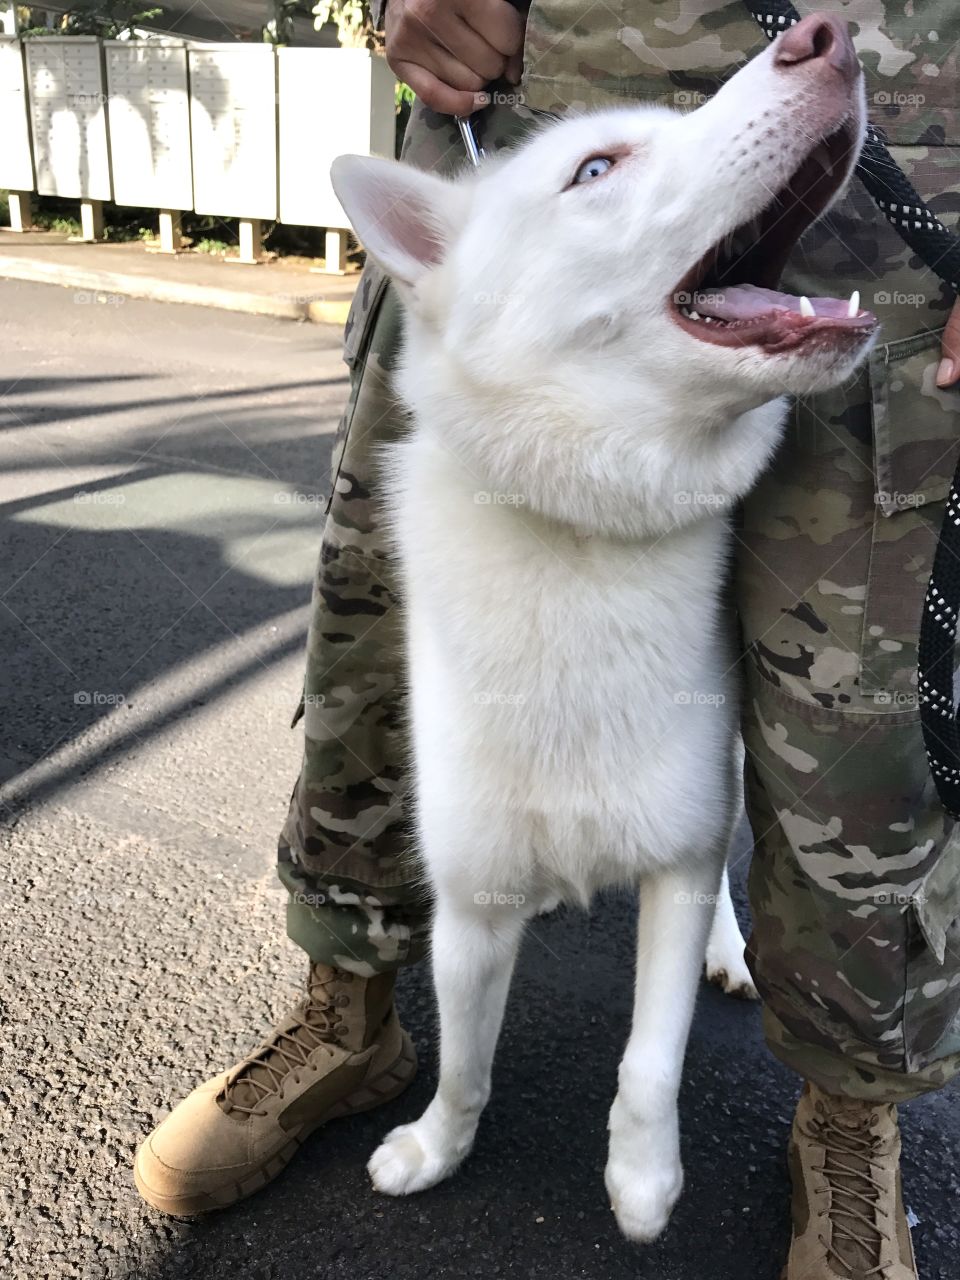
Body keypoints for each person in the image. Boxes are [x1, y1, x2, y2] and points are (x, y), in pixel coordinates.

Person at [135, 3, 960, 1275]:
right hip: (519, 84)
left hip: (917, 146)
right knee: (369, 646)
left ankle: (850, 1112)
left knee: (854, 729)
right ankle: (349, 1003)